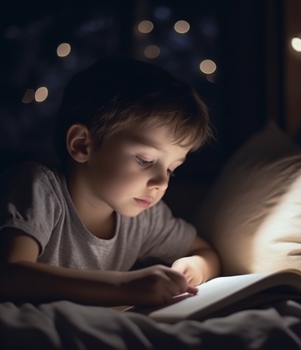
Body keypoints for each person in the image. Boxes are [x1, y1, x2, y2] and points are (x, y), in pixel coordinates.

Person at [0, 56, 221, 307]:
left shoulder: (145, 217)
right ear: (82, 144)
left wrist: (195, 267)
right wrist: (123, 287)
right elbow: (9, 275)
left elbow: (206, 252)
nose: (161, 181)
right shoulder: (38, 188)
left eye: (172, 169)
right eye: (145, 160)